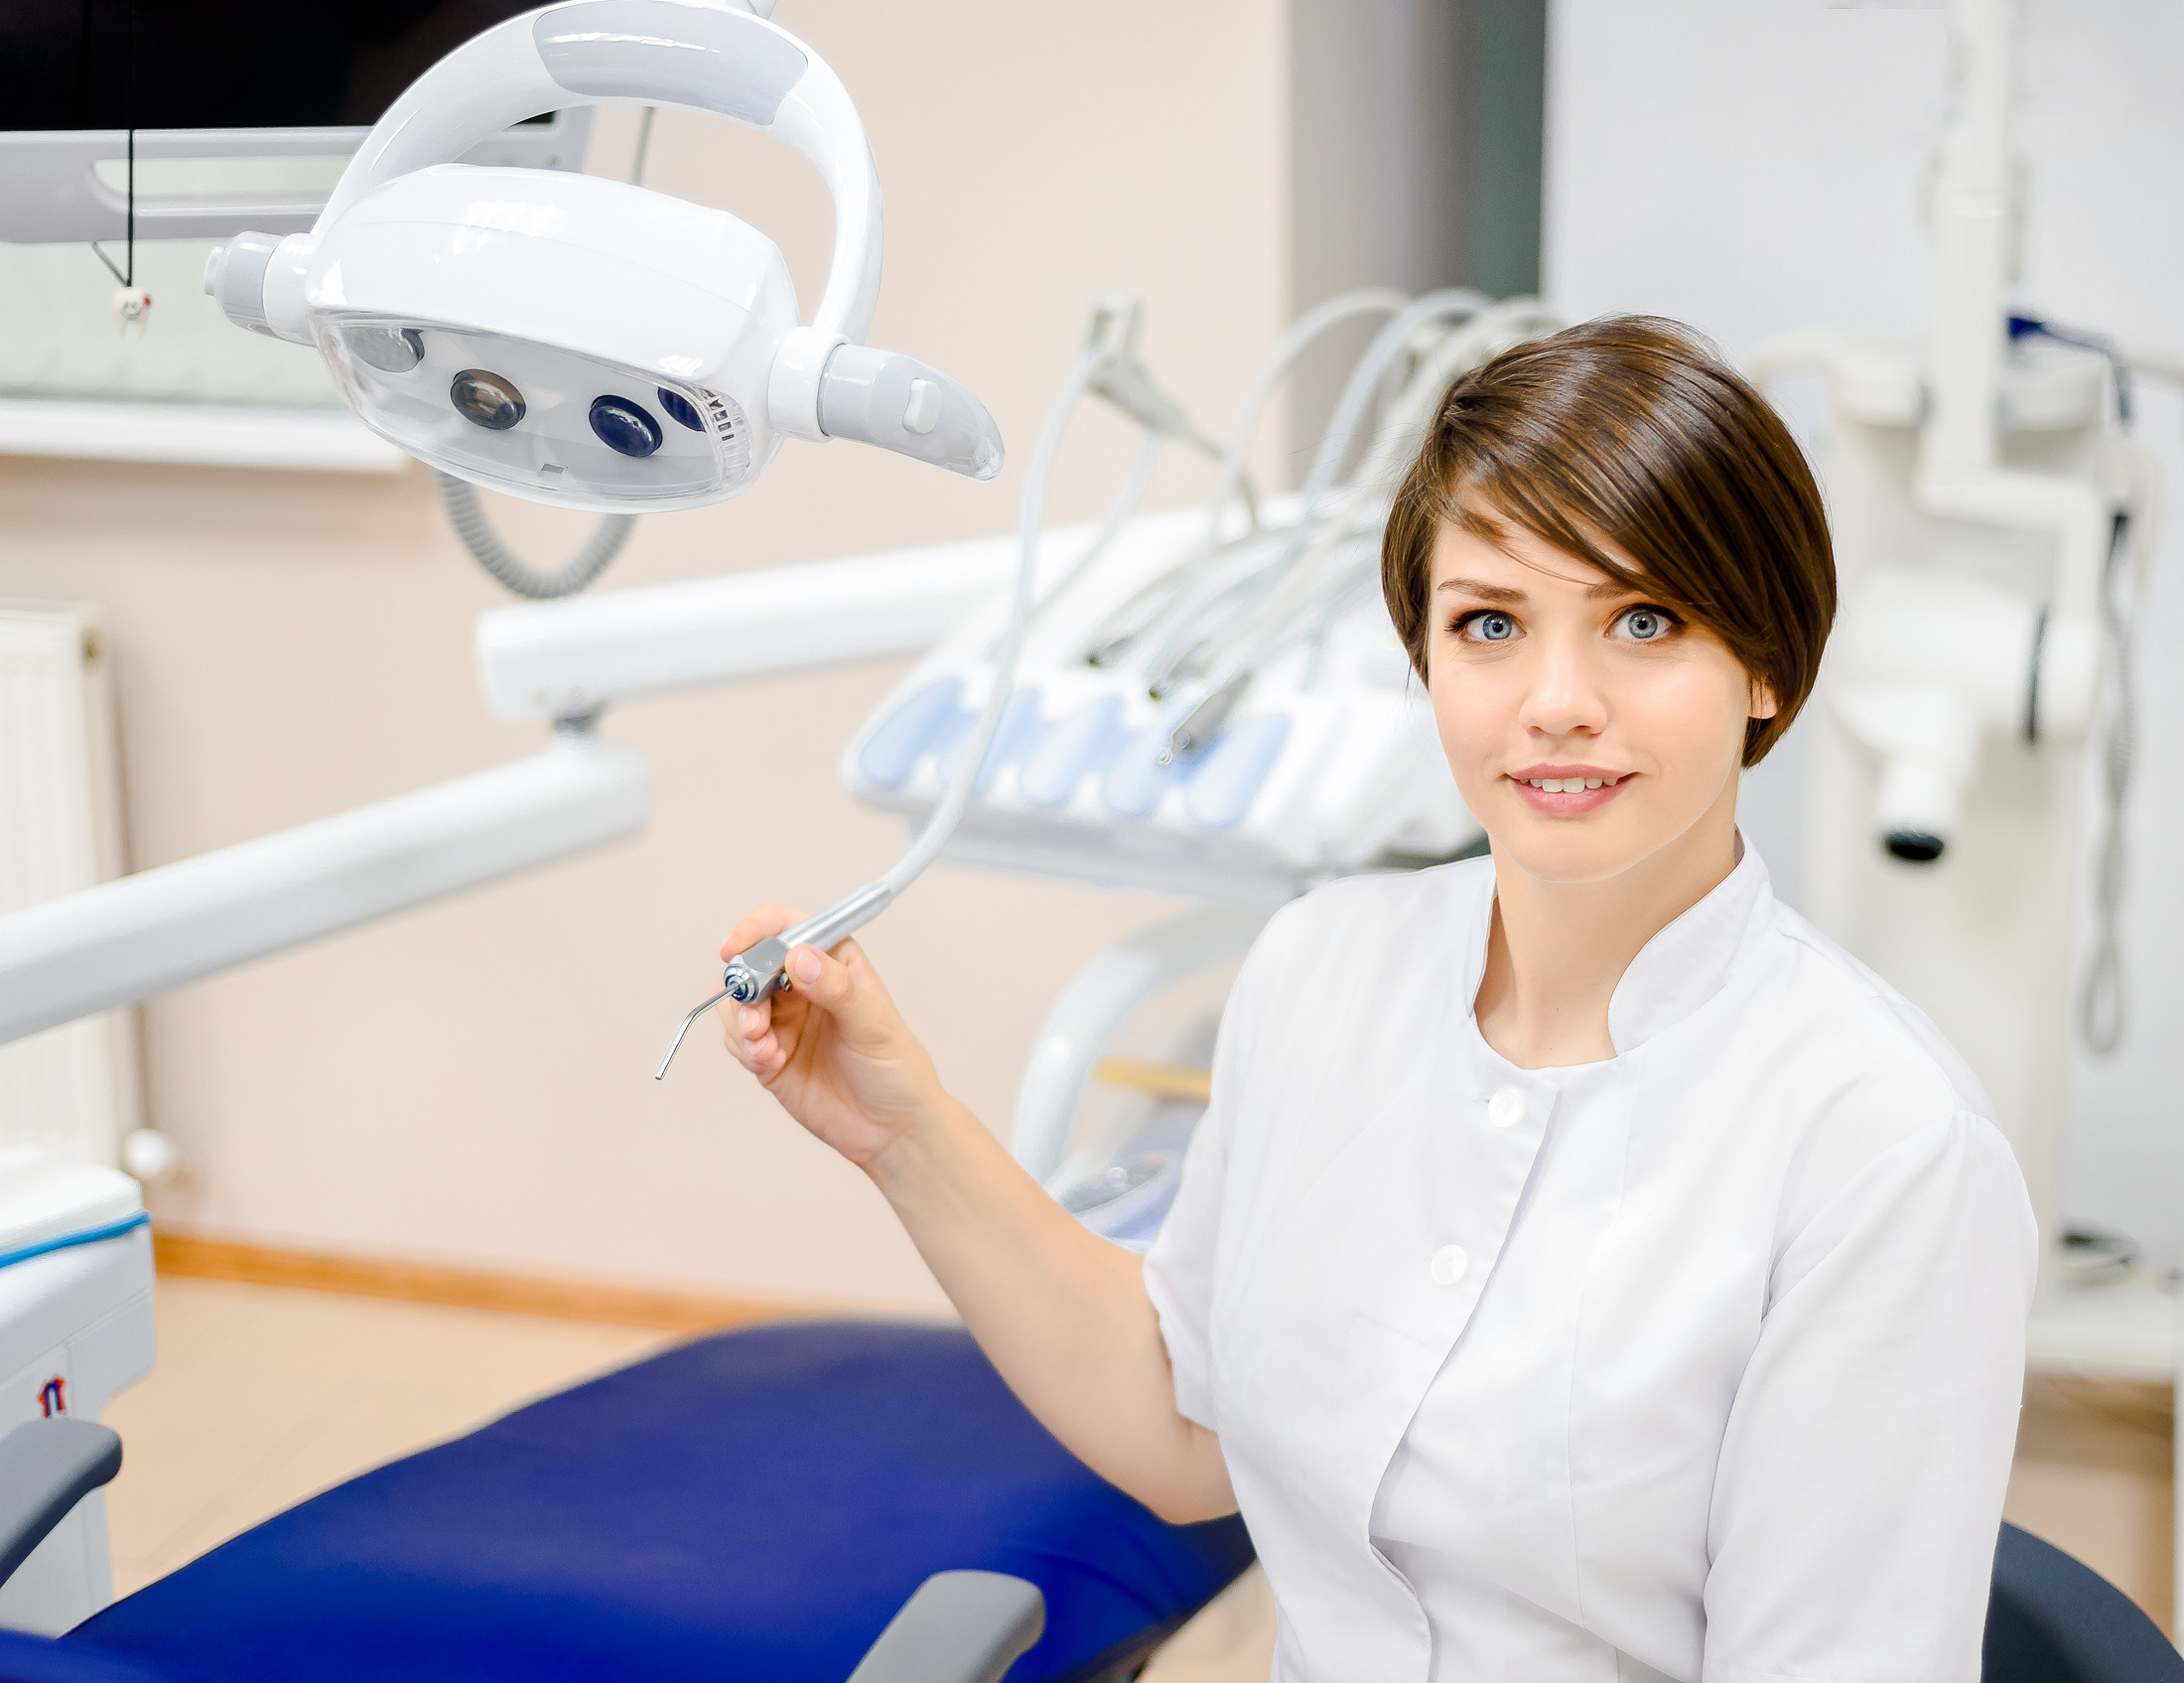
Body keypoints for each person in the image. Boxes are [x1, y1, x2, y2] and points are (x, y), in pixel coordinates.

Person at [717, 315, 2036, 1683]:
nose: (1558, 701)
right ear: (1425, 655)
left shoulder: (1881, 1146)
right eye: (1490, 624)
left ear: (1766, 662)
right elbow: (1179, 1428)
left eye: (1646, 619)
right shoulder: (1316, 971)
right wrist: (901, 1126)